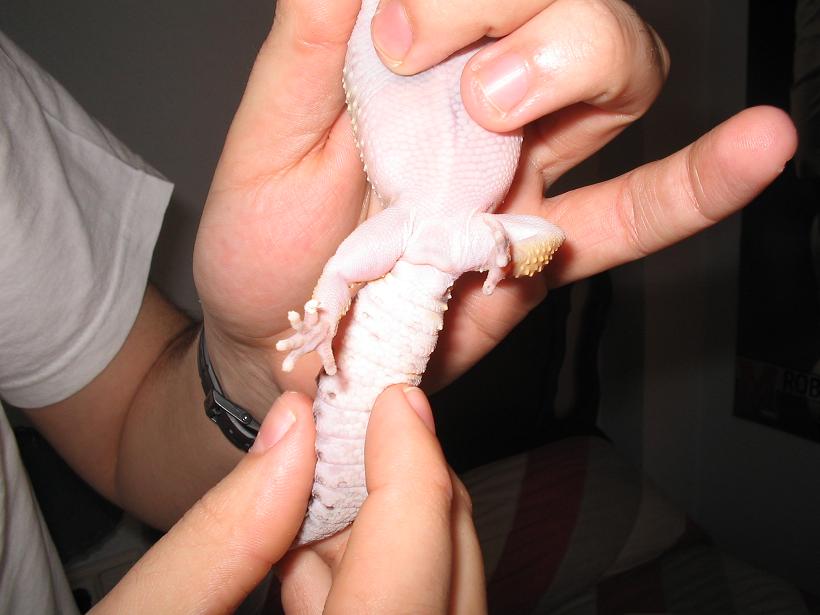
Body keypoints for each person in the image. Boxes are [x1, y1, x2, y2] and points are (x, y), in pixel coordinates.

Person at [0, 0, 796, 613]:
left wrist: (256, 360)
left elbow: (127, 422)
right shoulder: (440, 227)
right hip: (434, 245)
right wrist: (343, 301)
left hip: (435, 245)